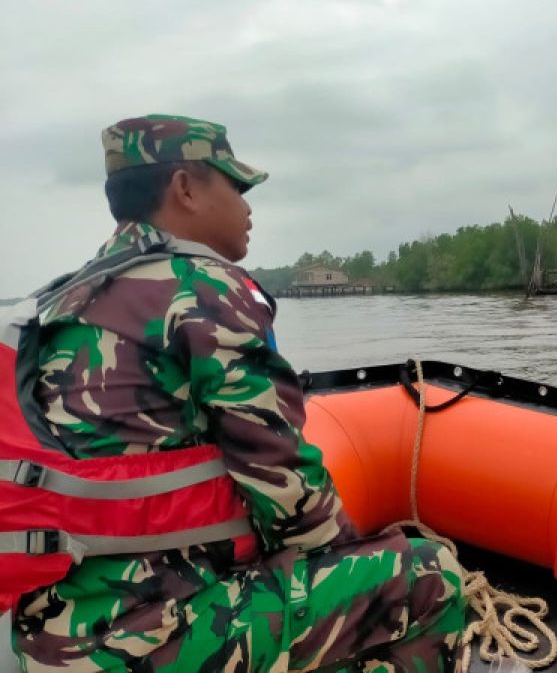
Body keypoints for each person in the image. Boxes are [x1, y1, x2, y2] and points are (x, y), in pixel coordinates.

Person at [9, 115, 466, 671]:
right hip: (147, 638)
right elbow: (293, 500)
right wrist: (362, 562)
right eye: (237, 186)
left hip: (47, 633)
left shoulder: (58, 302)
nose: (249, 208)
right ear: (184, 188)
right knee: (427, 571)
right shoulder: (202, 289)